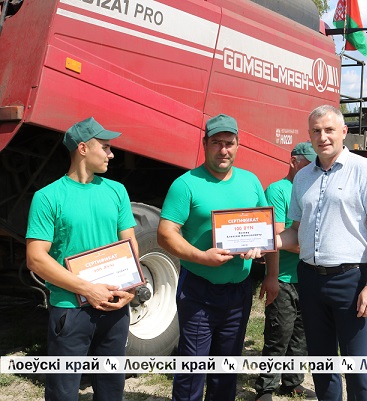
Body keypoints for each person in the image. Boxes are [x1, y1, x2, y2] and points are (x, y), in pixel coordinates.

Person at [157, 114, 279, 401]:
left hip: (239, 292)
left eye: (229, 143)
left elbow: (268, 231)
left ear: (238, 145)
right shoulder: (186, 184)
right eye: (216, 143)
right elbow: (165, 234)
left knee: (226, 369)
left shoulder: (250, 181)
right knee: (192, 369)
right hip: (199, 290)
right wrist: (202, 257)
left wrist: (271, 273)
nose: (223, 150)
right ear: (204, 144)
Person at [278, 105, 367, 401]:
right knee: (322, 364)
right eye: (316, 131)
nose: (323, 137)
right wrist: (268, 242)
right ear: (309, 135)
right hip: (309, 280)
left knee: (357, 365)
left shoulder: (364, 170)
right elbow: (296, 231)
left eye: (329, 130)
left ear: (344, 132)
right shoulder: (302, 178)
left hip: (351, 281)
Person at [25, 117, 138, 401]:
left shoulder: (117, 191)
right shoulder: (48, 197)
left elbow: (129, 242)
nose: (112, 154)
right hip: (71, 310)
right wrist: (87, 289)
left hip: (114, 305)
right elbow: (35, 259)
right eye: (106, 147)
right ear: (83, 148)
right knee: (63, 392)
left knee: (111, 390)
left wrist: (132, 287)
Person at [254, 143, 318, 401]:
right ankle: (265, 388)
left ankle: (292, 382)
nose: (314, 167)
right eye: (308, 162)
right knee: (278, 334)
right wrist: (272, 276)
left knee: (301, 334)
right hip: (284, 277)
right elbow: (277, 234)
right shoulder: (278, 190)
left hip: (309, 276)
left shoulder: (313, 188)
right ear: (293, 161)